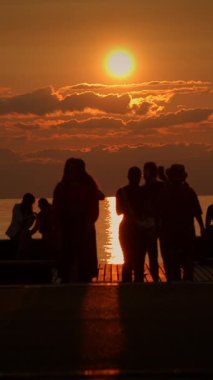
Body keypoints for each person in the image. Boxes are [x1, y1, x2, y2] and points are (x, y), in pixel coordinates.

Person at [52, 158, 104, 283]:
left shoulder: (88, 186)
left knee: (84, 260)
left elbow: (96, 202)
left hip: (84, 227)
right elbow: (56, 209)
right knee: (68, 258)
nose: (71, 172)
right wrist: (57, 227)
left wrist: (89, 221)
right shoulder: (62, 187)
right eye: (69, 169)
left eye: (73, 169)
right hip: (67, 228)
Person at [158, 164, 205, 281]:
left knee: (173, 267)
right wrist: (202, 228)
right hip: (184, 234)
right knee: (187, 266)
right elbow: (197, 213)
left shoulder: (165, 192)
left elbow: (158, 214)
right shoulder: (189, 192)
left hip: (171, 235)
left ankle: (176, 290)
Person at [116, 166, 144, 282]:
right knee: (139, 260)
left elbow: (118, 211)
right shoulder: (144, 192)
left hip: (126, 226)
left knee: (127, 258)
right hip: (140, 228)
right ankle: (138, 284)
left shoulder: (121, 192)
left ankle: (126, 285)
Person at [140, 162, 164, 281]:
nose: (145, 173)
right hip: (150, 223)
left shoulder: (160, 186)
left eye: (146, 171)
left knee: (157, 252)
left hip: (159, 222)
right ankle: (154, 275)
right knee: (151, 252)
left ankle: (155, 275)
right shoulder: (144, 189)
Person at [6, 193, 36, 258]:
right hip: (14, 233)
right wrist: (31, 217)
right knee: (17, 248)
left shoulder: (30, 212)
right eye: (29, 202)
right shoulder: (17, 207)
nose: (30, 204)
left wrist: (32, 218)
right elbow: (19, 220)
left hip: (23, 234)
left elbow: (28, 226)